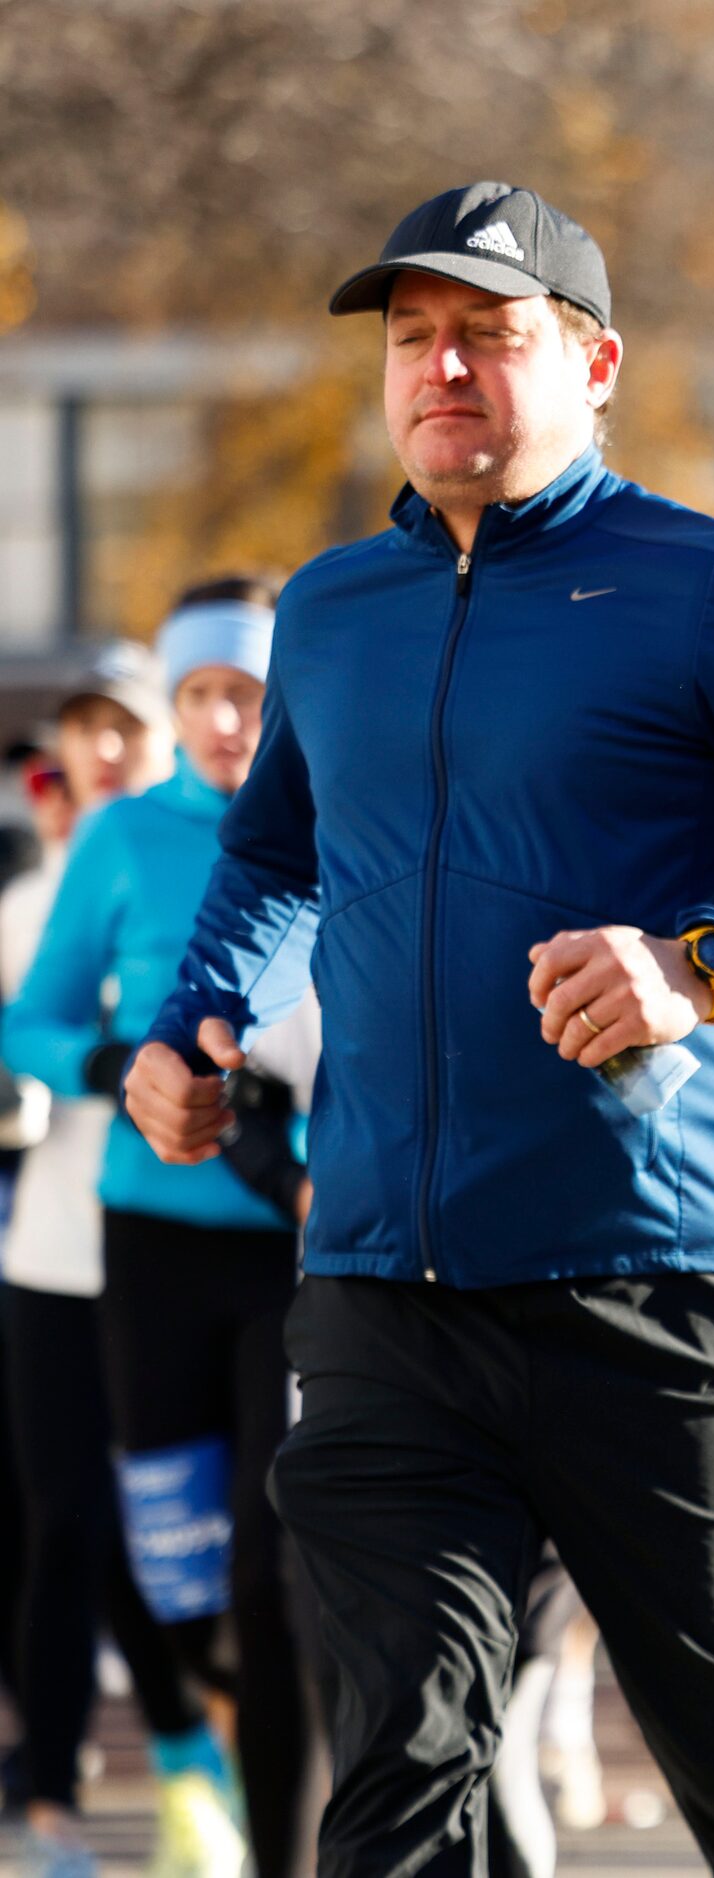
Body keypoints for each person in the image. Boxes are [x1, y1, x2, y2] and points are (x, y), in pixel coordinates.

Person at [119, 181, 714, 1878]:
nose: (443, 368)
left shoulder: (713, 582)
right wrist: (194, 1019)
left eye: (490, 335)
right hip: (379, 1290)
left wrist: (708, 965)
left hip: (657, 1291)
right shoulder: (335, 608)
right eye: (414, 336)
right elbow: (276, 848)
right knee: (402, 1774)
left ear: (594, 364)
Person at [5, 594, 318, 1878]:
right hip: (147, 1250)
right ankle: (207, 1752)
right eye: (199, 696)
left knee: (270, 1563)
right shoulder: (125, 839)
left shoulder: (334, 818)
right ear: (175, 710)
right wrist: (118, 1061)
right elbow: (29, 1022)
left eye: (248, 693)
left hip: (293, 1248)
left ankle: (284, 1846)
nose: (226, 719)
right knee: (174, 1575)